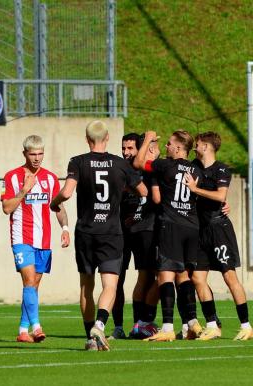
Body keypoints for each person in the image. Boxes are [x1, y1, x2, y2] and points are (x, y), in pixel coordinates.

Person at [50, 120, 146, 351]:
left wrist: (55, 203)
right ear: (107, 138)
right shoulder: (120, 163)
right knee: (110, 285)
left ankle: (90, 337)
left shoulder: (78, 161)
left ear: (87, 139)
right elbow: (142, 191)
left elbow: (67, 192)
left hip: (86, 232)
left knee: (86, 287)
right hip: (111, 232)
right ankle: (100, 325)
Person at [133, 130, 203, 342]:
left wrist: (147, 140)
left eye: (170, 144)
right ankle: (192, 322)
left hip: (171, 226)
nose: (167, 147)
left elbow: (138, 163)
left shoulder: (166, 166)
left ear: (180, 148)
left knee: (165, 275)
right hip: (191, 226)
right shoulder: (196, 168)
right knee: (183, 276)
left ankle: (167, 327)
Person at [184, 131, 253, 341]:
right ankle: (212, 324)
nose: (195, 148)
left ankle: (246, 325)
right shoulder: (193, 167)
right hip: (200, 230)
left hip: (219, 229)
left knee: (229, 276)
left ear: (206, 146)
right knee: (197, 277)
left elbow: (221, 196)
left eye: (197, 145)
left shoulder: (221, 169)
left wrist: (195, 189)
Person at [1, 135, 70, 343]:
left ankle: (23, 331)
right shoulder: (12, 177)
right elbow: (6, 208)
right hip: (21, 238)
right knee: (29, 281)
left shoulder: (50, 178)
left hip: (44, 241)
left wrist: (65, 228)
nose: (37, 158)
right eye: (33, 154)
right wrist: (24, 190)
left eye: (40, 153)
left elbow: (57, 207)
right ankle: (37, 327)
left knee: (33, 286)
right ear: (25, 154)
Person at [109, 133, 160, 340]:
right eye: (123, 148)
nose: (126, 152)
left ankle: (141, 323)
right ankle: (118, 326)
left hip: (142, 231)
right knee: (116, 280)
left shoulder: (146, 169)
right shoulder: (117, 169)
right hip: (119, 233)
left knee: (147, 276)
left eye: (130, 148)